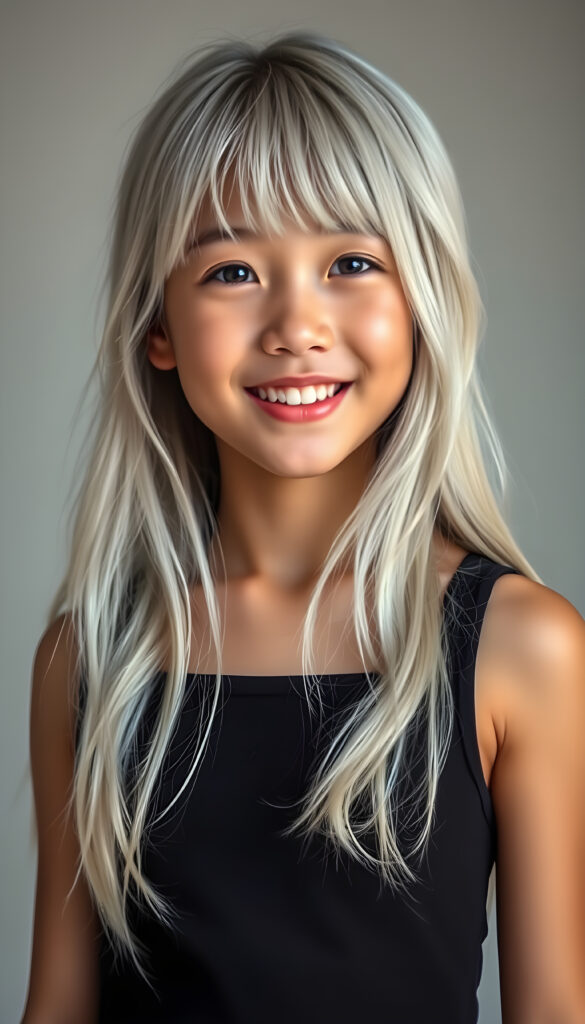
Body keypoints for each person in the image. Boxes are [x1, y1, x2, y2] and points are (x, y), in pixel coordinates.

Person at [21, 30, 585, 1024]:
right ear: (157, 325)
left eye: (352, 262)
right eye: (233, 272)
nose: (296, 325)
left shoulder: (523, 646)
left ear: (423, 304)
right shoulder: (89, 656)